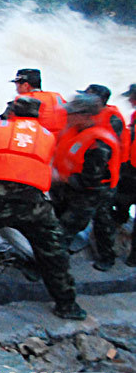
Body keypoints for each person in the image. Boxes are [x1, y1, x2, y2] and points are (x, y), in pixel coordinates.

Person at [0, 97, 86, 320]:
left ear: (12, 113)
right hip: (31, 204)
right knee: (53, 250)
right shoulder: (48, 136)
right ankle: (67, 305)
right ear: (37, 115)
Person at [51, 93, 121, 270]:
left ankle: (106, 258)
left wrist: (59, 178)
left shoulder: (98, 144)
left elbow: (90, 180)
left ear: (86, 116)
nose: (68, 116)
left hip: (94, 191)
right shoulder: (73, 130)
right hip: (69, 187)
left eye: (73, 113)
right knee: (61, 220)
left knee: (97, 222)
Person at [113, 84, 136, 265]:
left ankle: (133, 258)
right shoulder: (134, 117)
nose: (129, 101)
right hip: (130, 170)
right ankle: (120, 221)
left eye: (132, 97)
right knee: (120, 200)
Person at [4, 68, 66, 134]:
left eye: (17, 86)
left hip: (38, 141)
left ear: (25, 85)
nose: (16, 90)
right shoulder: (57, 97)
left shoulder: (22, 101)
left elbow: (5, 124)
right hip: (62, 141)